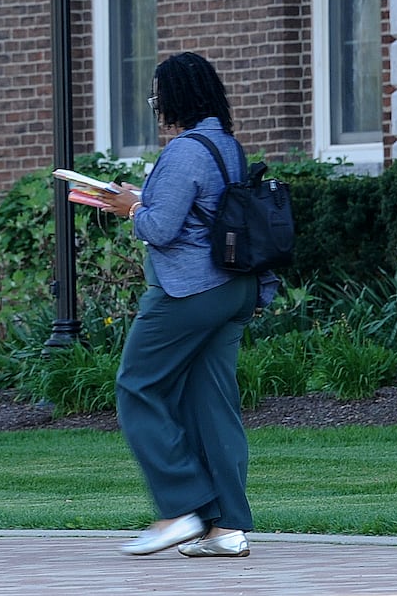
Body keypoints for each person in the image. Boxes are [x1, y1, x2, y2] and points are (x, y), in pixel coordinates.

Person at [80, 51, 258, 559]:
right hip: (234, 288)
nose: (156, 104)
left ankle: (181, 509)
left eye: (158, 94)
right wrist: (145, 200)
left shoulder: (184, 151)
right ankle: (226, 530)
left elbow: (160, 228)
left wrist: (130, 206)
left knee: (137, 385)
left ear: (176, 97)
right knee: (212, 404)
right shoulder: (227, 146)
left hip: (188, 291)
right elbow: (203, 213)